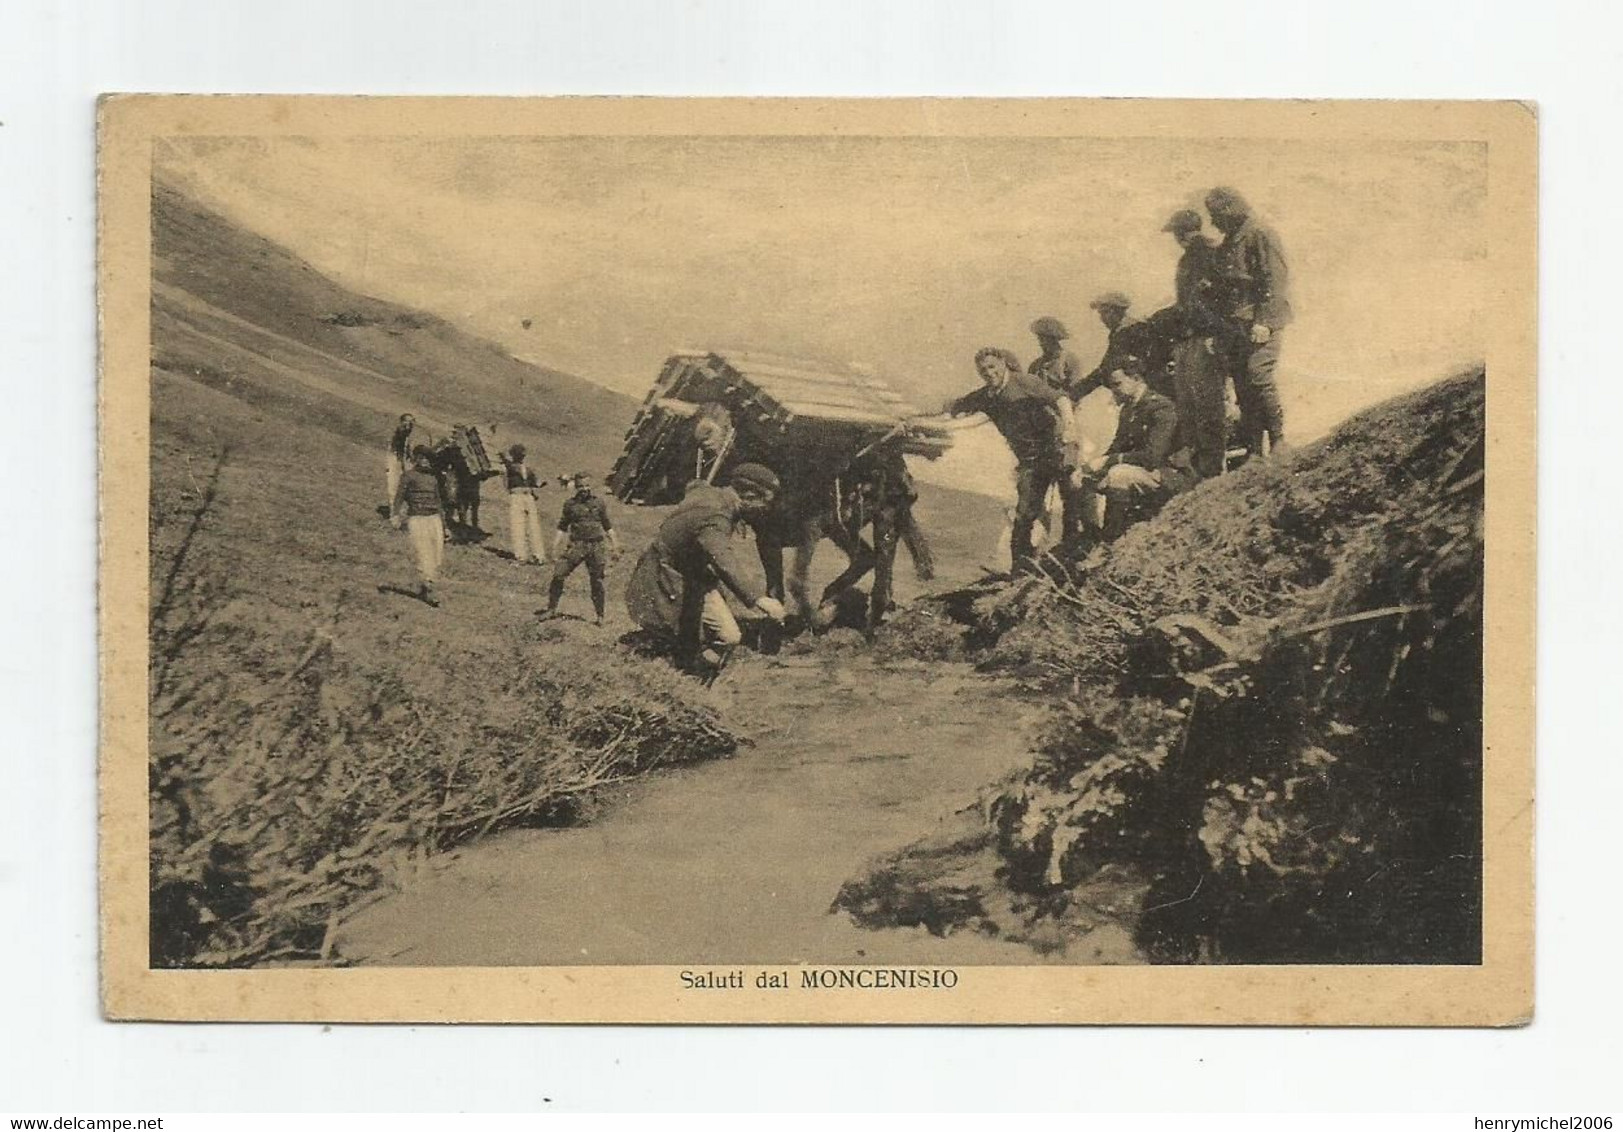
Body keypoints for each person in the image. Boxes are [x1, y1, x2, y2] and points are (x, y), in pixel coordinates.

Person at [625, 463, 787, 681]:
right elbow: (723, 559)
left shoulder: (711, 494)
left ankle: (695, 680)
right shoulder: (715, 516)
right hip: (667, 576)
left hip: (695, 575)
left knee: (728, 636)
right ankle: (658, 666)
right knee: (676, 635)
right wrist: (759, 599)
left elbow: (694, 486)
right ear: (748, 495)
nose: (765, 510)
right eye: (764, 502)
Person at [942, 346, 1082, 569]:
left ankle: (1071, 555)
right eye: (983, 370)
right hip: (1030, 461)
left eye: (992, 367)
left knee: (1072, 501)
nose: (989, 373)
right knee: (1025, 513)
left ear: (1003, 364)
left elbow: (1061, 399)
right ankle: (1021, 566)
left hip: (1056, 448)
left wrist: (1070, 427)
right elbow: (955, 407)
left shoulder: (1024, 382)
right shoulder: (986, 396)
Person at [1204, 186, 1293, 458]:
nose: (1213, 221)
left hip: (1259, 322)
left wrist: (1263, 321)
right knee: (1243, 383)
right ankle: (1255, 449)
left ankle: (1278, 440)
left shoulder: (1260, 234)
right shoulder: (1229, 244)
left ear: (1230, 211)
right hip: (1235, 326)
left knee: (1259, 375)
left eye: (1216, 214)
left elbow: (1274, 281)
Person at [1077, 359, 1192, 544]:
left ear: (1136, 378)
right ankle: (1092, 537)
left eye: (1117, 384)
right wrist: (1091, 467)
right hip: (1144, 472)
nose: (1114, 390)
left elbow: (1152, 457)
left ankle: (1111, 540)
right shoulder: (1129, 409)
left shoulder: (1161, 407)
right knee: (1081, 479)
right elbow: (1117, 446)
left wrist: (1109, 461)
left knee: (1118, 474)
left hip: (1170, 474)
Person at [1162, 208, 1237, 479]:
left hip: (1204, 337)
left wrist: (1214, 333)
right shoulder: (1193, 256)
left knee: (1207, 407)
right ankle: (1202, 471)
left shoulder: (1207, 252)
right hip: (1191, 337)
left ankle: (1211, 472)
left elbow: (1218, 296)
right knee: (1193, 408)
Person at [545, 473, 620, 625]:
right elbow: (562, 527)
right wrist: (554, 546)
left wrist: (615, 545)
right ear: (575, 486)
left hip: (596, 546)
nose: (584, 489)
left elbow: (607, 526)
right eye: (580, 486)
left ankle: (600, 617)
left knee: (597, 581)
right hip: (577, 545)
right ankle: (551, 610)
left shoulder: (599, 503)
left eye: (587, 485)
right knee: (558, 574)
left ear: (590, 486)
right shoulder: (570, 505)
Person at [390, 444, 446, 606]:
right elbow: (399, 496)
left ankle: (425, 585)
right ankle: (429, 590)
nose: (425, 461)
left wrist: (445, 525)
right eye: (422, 458)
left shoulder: (433, 479)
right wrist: (395, 514)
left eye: (428, 459)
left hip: (434, 519)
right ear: (416, 459)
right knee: (423, 553)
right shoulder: (408, 476)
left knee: (436, 556)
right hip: (417, 519)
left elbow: (439, 502)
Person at [1079, 292, 1165, 399]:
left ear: (1118, 311)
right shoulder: (1121, 331)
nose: (1102, 318)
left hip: (1148, 388)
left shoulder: (1130, 331)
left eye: (1105, 312)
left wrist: (1077, 392)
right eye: (1100, 314)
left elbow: (1108, 367)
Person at [500, 443, 547, 565]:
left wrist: (538, 485)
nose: (521, 457)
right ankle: (524, 555)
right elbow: (506, 483)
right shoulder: (509, 467)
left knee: (530, 525)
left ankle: (536, 556)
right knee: (521, 525)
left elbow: (534, 483)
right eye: (519, 455)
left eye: (522, 455)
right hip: (519, 496)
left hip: (525, 496)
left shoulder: (525, 469)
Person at [1027, 316, 1081, 395]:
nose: (1041, 344)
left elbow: (1075, 390)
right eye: (1039, 339)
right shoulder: (1035, 365)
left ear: (1054, 339)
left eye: (1044, 339)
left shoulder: (1069, 360)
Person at [386, 413, 415, 507]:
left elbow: (408, 449)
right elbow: (402, 434)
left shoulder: (410, 434)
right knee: (394, 482)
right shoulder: (401, 431)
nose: (409, 423)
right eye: (406, 420)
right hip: (395, 459)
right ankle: (393, 507)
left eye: (412, 420)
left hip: (403, 460)